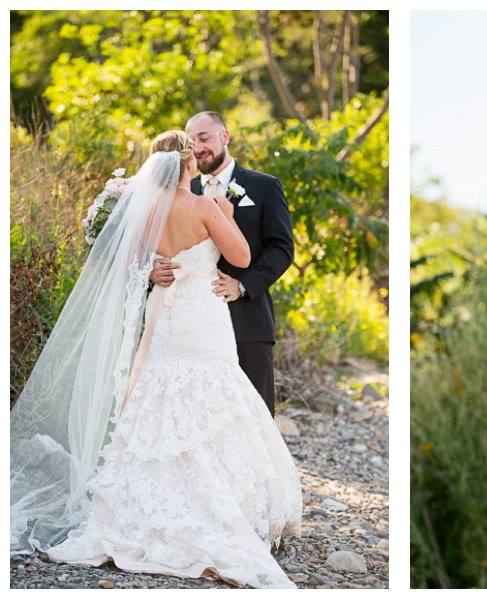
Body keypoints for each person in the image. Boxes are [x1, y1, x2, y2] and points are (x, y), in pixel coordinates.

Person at [10, 131, 302, 588]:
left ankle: (139, 508)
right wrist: (226, 214)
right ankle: (218, 504)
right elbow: (241, 256)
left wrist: (153, 265)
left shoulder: (143, 210)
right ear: (189, 165)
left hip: (162, 309)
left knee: (156, 392)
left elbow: (129, 261)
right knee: (214, 393)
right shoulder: (205, 206)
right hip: (201, 311)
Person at [149, 111, 294, 415]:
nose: (199, 147)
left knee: (254, 417)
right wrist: (152, 270)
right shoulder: (181, 190)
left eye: (205, 138)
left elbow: (282, 248)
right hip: (187, 325)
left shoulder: (264, 186)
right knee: (195, 415)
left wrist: (243, 284)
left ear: (224, 137)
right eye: (192, 141)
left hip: (247, 320)